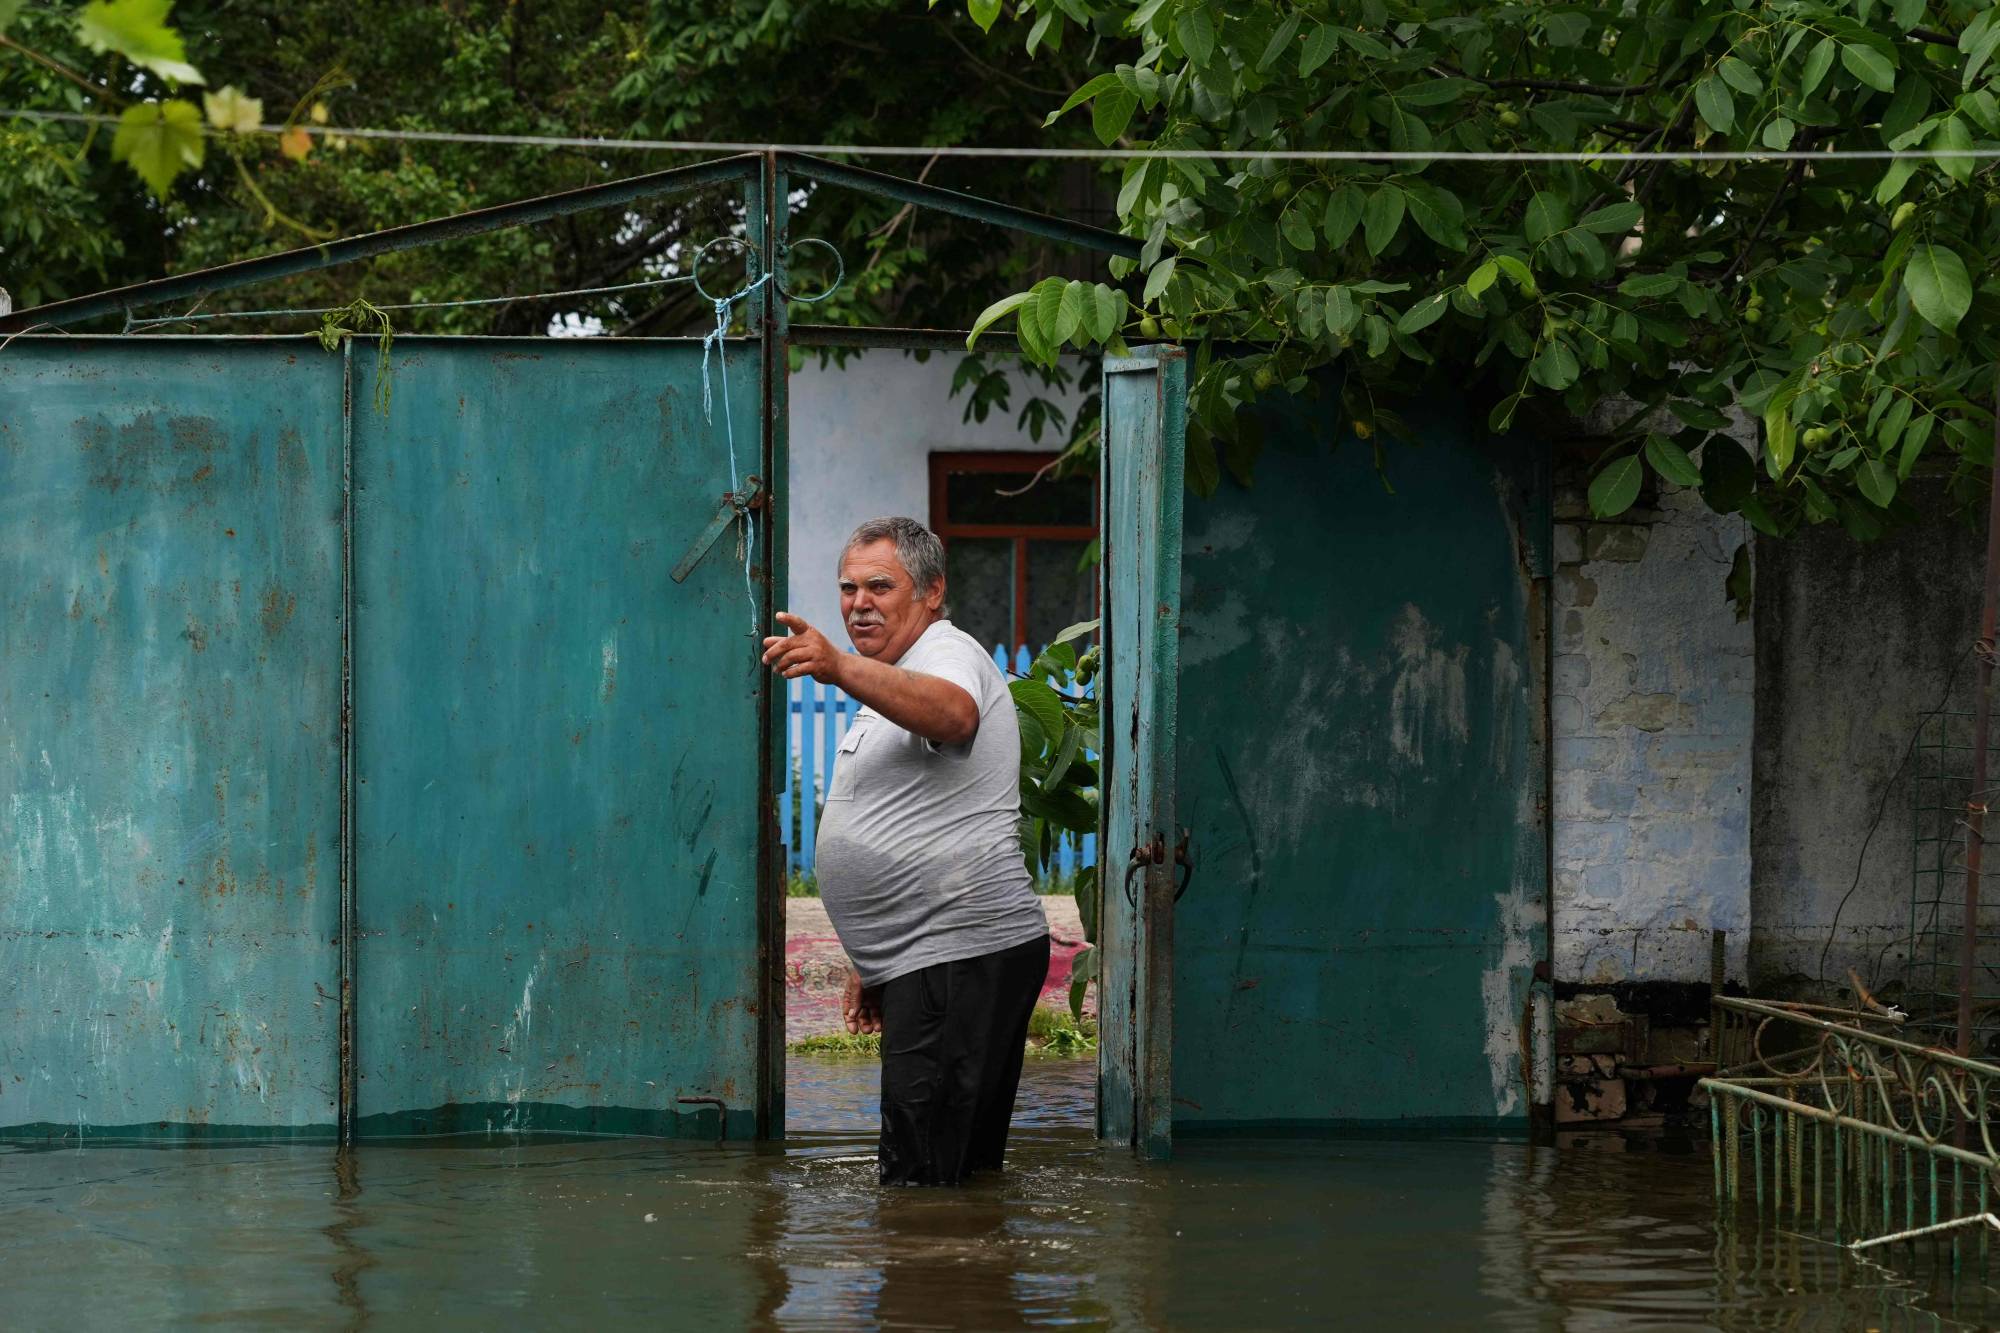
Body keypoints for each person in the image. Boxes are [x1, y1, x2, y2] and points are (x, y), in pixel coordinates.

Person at [761, 516, 1050, 1186]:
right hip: (932, 956)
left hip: (957, 948)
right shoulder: (896, 676)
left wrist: (838, 665)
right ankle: (959, 1253)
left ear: (931, 591)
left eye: (879, 587)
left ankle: (929, 1257)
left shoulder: (947, 653)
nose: (859, 603)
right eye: (848, 588)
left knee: (920, 1183)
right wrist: (876, 958)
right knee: (952, 1174)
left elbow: (954, 714)